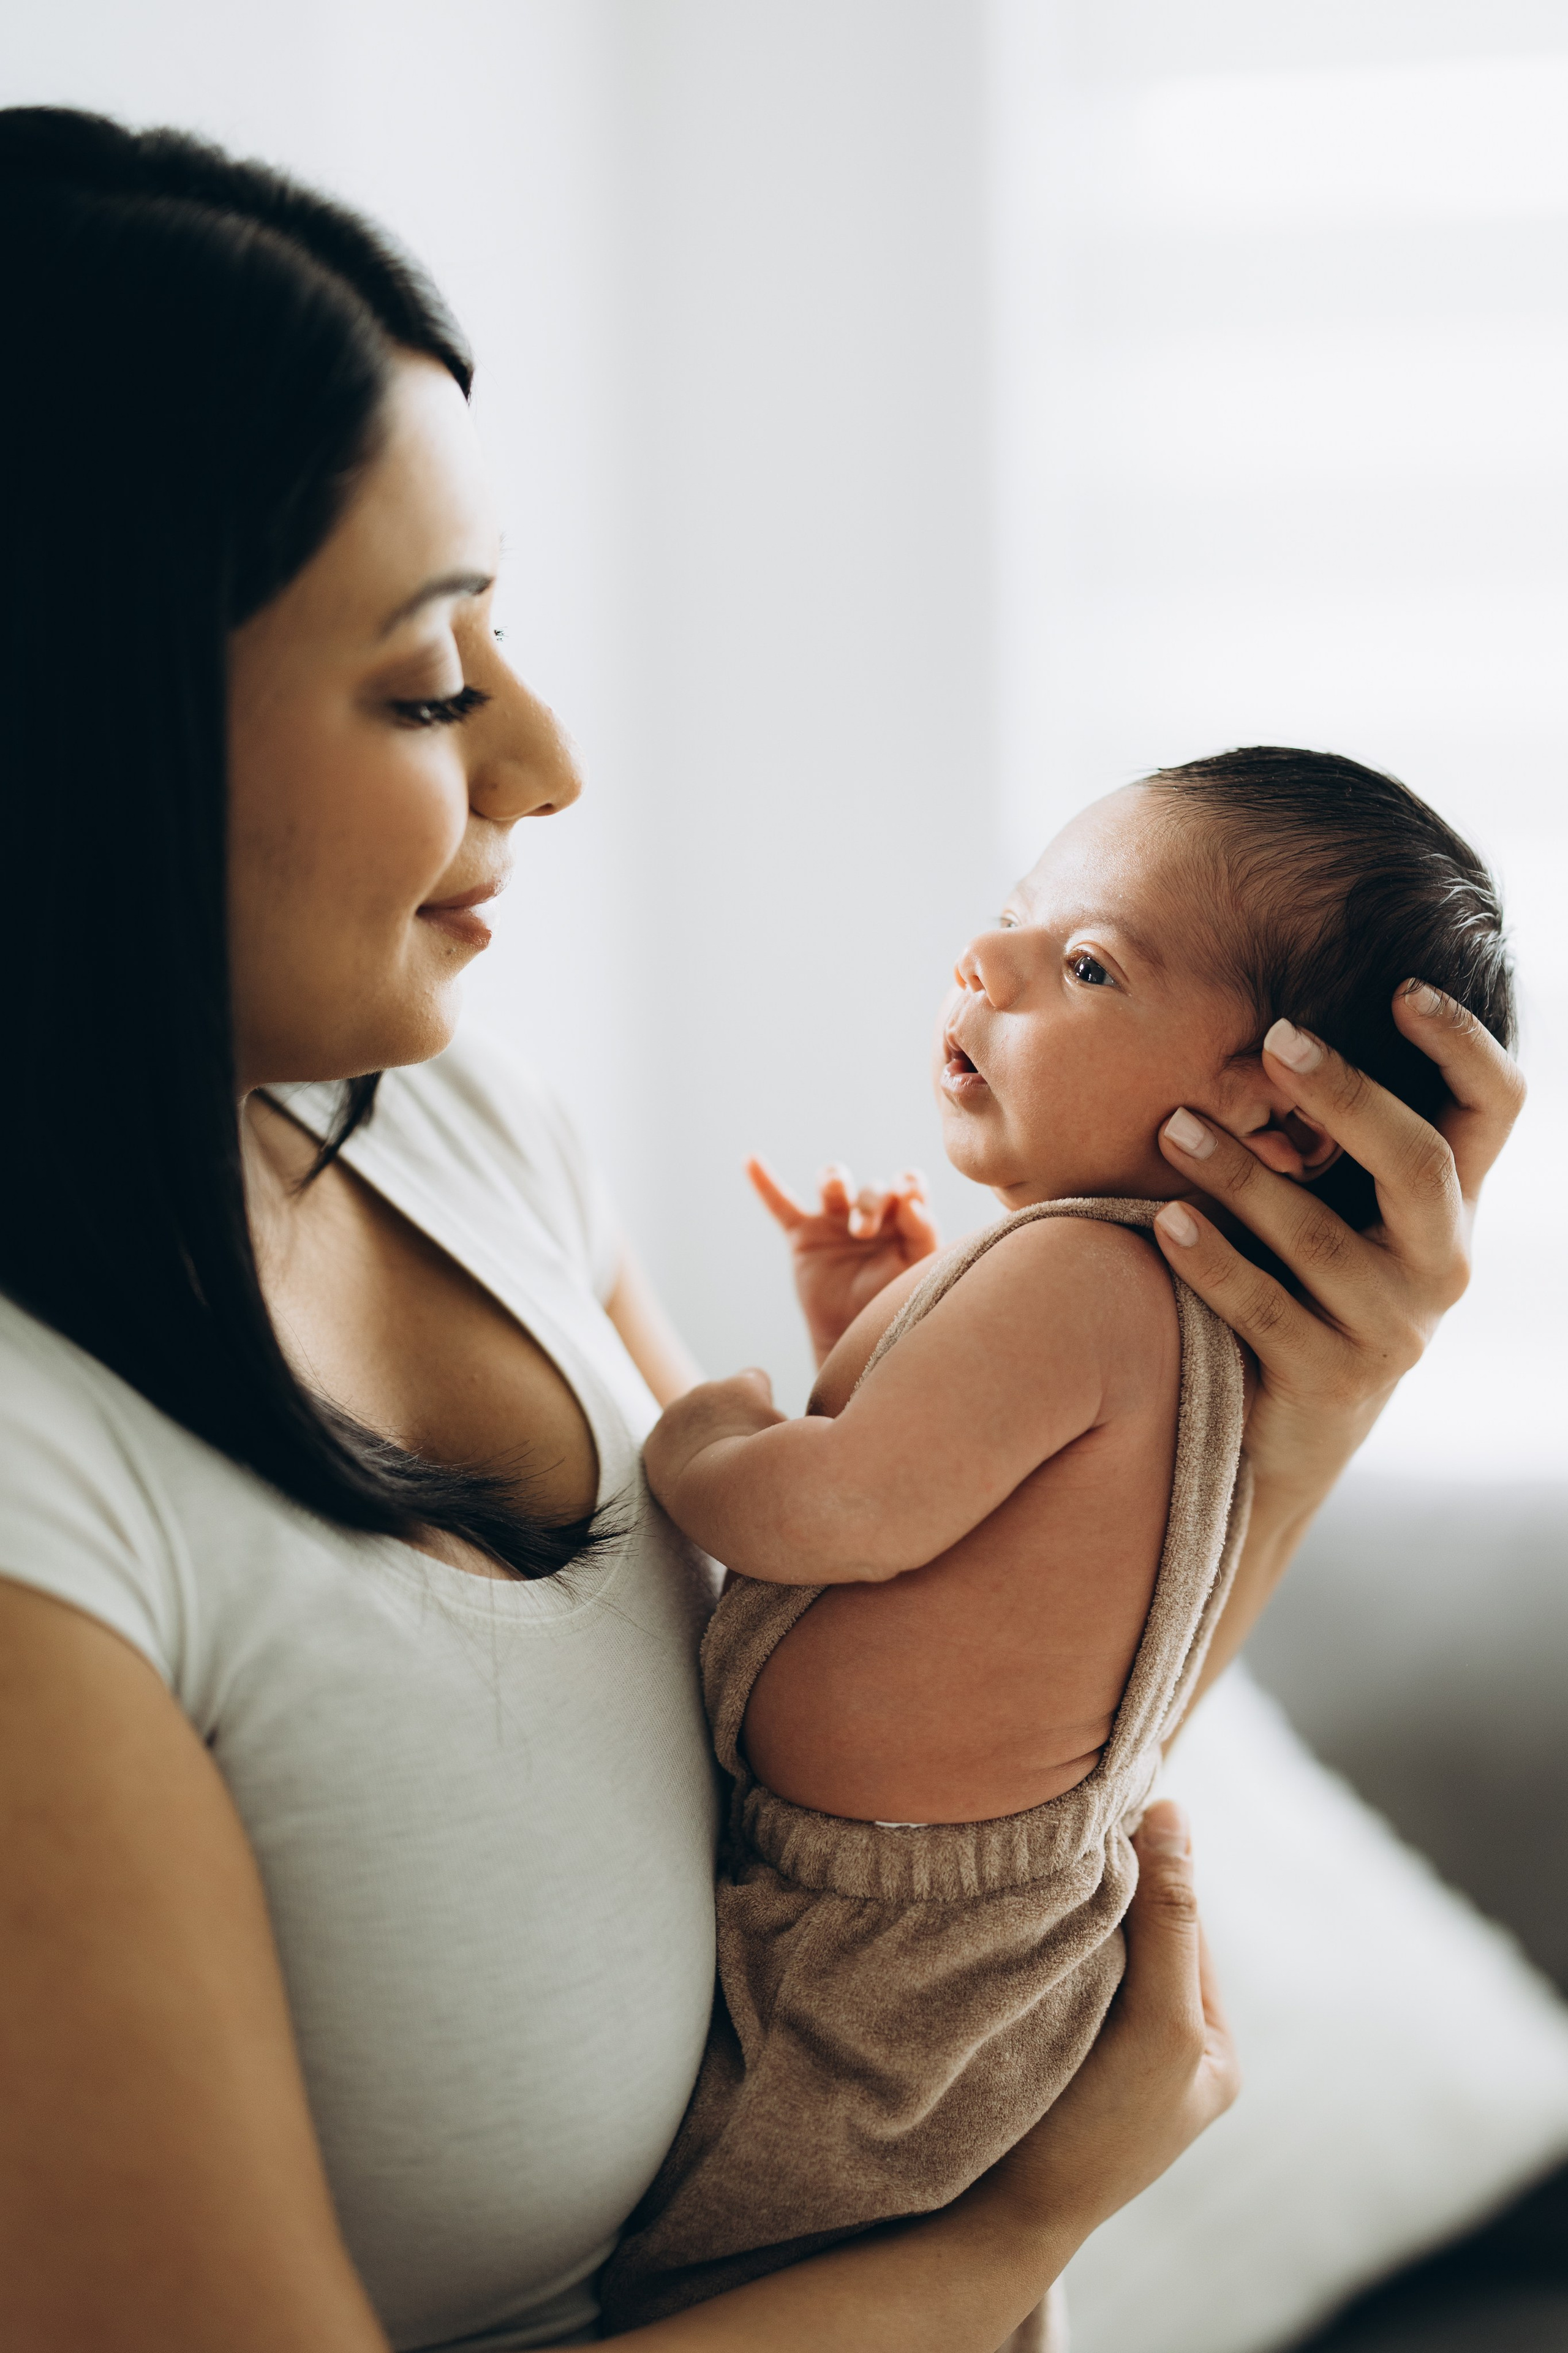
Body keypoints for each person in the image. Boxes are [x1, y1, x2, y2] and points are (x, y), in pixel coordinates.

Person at [0, 108, 1524, 2353]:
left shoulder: (459, 1131)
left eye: (502, 636)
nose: (548, 758)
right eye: (430, 679)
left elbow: (955, 1712)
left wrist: (1301, 1392)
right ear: (73, 735)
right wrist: (1000, 2248)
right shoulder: (48, 1500)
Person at [597, 753, 1513, 2332]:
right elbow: (972, 1497)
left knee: (767, 2233)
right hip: (941, 1897)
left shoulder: (1079, 1281)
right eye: (1016, 924)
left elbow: (837, 1512)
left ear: (1283, 1125)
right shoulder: (1131, 1299)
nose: (988, 963)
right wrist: (861, 1324)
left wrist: (703, 1430)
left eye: (1087, 967)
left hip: (902, 1914)